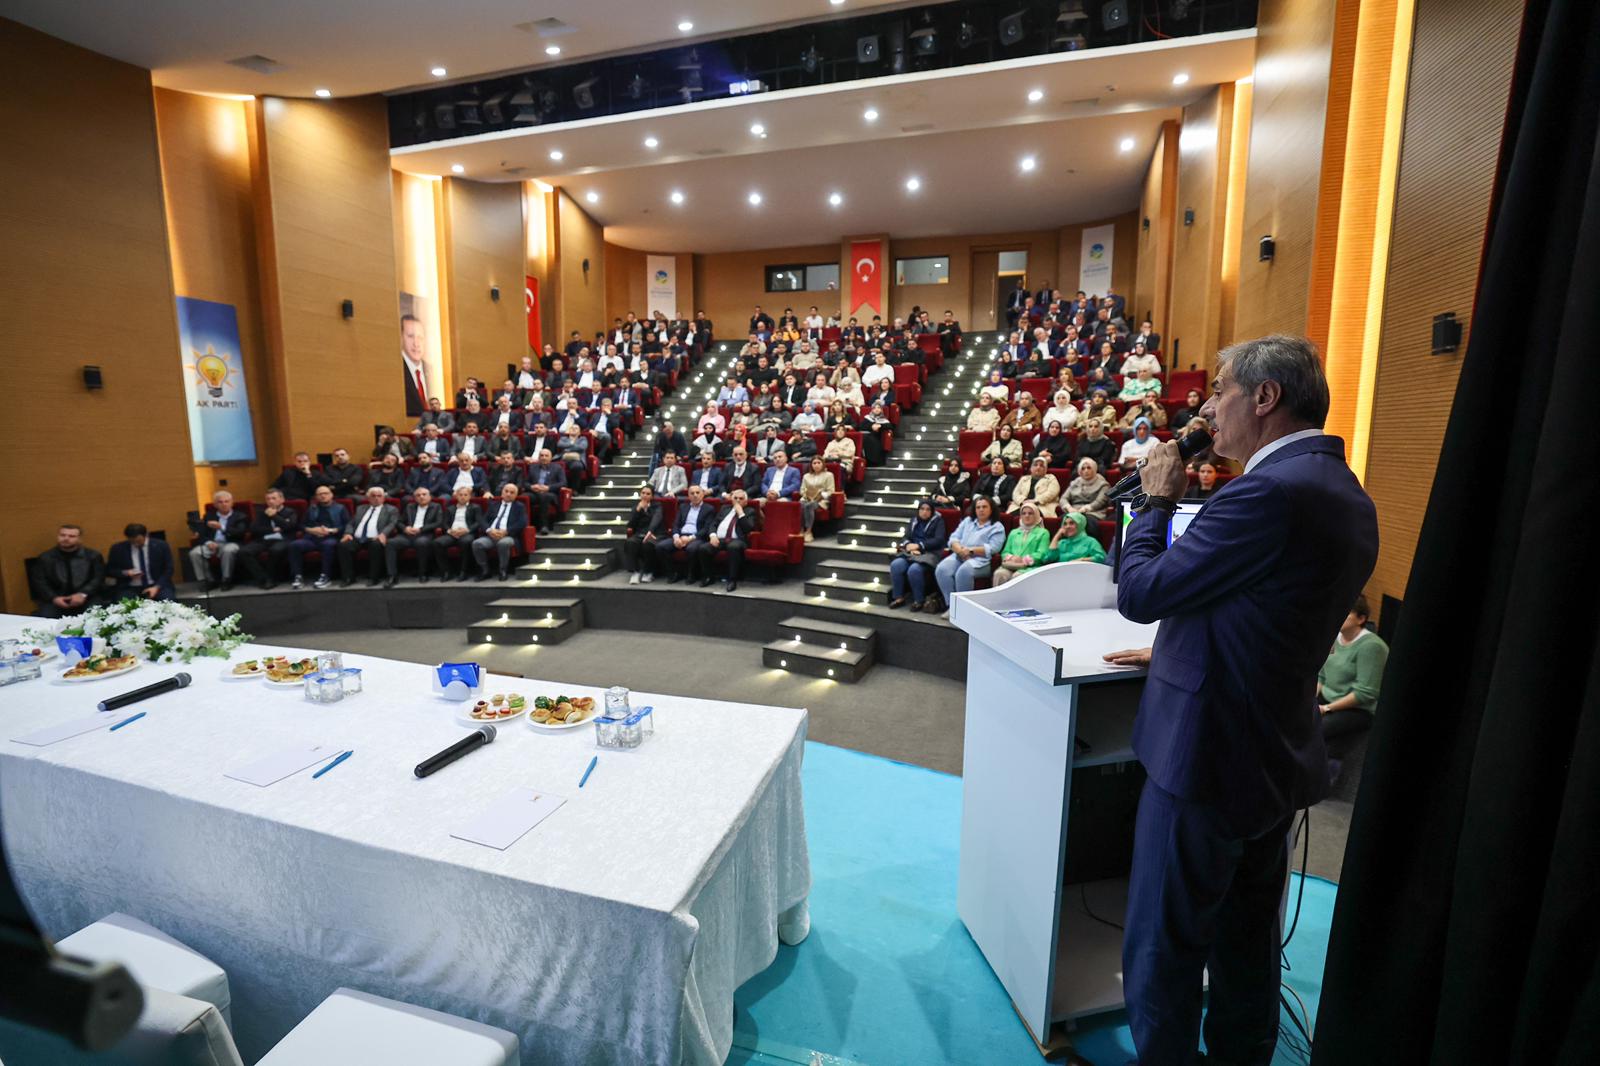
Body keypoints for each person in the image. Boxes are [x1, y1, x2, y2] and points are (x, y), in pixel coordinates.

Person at [1103, 335, 1377, 1065]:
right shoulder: (1343, 489)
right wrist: (1180, 646)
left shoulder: (1266, 492)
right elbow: (1266, 612)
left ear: (1264, 397)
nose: (1207, 407)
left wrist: (1157, 500)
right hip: (1269, 755)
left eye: (1219, 390)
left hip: (1204, 757)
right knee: (1246, 944)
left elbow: (1140, 592)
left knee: (1164, 946)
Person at [1318, 594, 1390, 774]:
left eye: (1346, 612)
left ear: (1361, 619)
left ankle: (1318, 778)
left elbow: (1365, 693)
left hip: (1358, 709)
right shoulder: (1335, 637)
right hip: (1328, 698)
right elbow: (1321, 677)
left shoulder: (1372, 647)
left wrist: (1327, 708)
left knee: (1315, 728)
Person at [932, 496, 1005, 614]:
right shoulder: (967, 521)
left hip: (981, 560)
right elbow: (954, 538)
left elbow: (994, 548)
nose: (981, 510)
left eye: (984, 507)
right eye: (978, 507)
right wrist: (960, 550)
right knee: (942, 569)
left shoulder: (997, 526)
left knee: (963, 572)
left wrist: (971, 551)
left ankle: (963, 610)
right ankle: (952, 606)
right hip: (959, 554)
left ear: (991, 509)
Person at [30, 524, 105, 617]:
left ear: (80, 539)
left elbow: (98, 578)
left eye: (71, 536)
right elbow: (40, 582)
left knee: (95, 617)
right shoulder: (45, 557)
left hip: (88, 597)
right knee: (46, 619)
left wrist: (82, 594)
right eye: (62, 535)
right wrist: (54, 598)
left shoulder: (93, 556)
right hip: (56, 598)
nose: (66, 538)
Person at [886, 500, 948, 610]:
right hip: (912, 552)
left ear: (932, 511)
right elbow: (905, 537)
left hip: (929, 553)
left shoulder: (938, 521)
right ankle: (898, 597)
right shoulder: (914, 520)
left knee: (914, 569)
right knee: (896, 565)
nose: (924, 512)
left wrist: (919, 546)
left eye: (928, 509)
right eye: (922, 509)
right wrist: (909, 545)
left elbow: (938, 540)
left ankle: (919, 600)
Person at [337, 486, 399, 587]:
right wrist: (347, 533)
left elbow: (392, 524)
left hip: (375, 537)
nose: (376, 498)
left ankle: (374, 577)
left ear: (384, 498)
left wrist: (383, 534)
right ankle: (348, 577)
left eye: (379, 496)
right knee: (343, 545)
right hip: (357, 538)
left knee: (375, 545)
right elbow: (351, 523)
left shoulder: (391, 509)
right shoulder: (360, 508)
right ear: (368, 498)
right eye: (373, 496)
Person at [289, 485, 348, 590]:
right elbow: (301, 525)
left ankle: (325, 576)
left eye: (325, 493)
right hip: (312, 538)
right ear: (316, 497)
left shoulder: (340, 508)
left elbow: (347, 525)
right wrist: (311, 530)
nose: (323, 496)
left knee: (328, 545)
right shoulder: (312, 508)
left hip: (331, 537)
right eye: (320, 494)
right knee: (295, 545)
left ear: (331, 495)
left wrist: (331, 530)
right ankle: (298, 577)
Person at [188, 490, 248, 590]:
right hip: (213, 544)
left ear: (231, 502)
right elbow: (201, 533)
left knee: (228, 550)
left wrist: (222, 527)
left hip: (232, 542)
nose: (224, 504)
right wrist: (208, 542)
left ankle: (226, 579)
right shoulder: (209, 516)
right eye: (220, 502)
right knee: (195, 553)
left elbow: (240, 533)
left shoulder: (240, 516)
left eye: (226, 501)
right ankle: (208, 581)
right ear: (215, 504)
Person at [240, 488, 299, 589]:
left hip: (283, 539)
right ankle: (263, 578)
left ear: (282, 499)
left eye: (274, 498)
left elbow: (289, 527)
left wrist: (274, 516)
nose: (270, 501)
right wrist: (272, 529)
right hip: (264, 539)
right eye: (268, 499)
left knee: (275, 550)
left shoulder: (290, 512)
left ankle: (271, 579)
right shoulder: (262, 512)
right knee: (244, 551)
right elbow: (254, 528)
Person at [656, 484, 715, 583]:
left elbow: (706, 529)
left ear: (702, 494)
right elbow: (676, 524)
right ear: (688, 495)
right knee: (660, 547)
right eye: (692, 493)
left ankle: (691, 574)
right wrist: (676, 537)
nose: (695, 495)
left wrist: (690, 538)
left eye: (697, 493)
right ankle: (673, 573)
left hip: (697, 537)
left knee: (691, 548)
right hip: (681, 535)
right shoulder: (683, 506)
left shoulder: (709, 509)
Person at [385, 486, 443, 586]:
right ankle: (392, 575)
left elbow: (438, 522)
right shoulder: (409, 506)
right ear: (415, 498)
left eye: (424, 495)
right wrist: (405, 528)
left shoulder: (436, 506)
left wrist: (421, 529)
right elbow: (399, 521)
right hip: (408, 534)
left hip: (425, 534)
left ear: (430, 497)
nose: (421, 497)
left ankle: (423, 573)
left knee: (421, 542)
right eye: (418, 495)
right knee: (391, 543)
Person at [472, 484, 528, 581]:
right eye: (506, 491)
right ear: (502, 492)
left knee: (503, 543)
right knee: (477, 543)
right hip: (491, 535)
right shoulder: (493, 504)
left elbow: (522, 523)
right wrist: (489, 531)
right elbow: (483, 521)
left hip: (508, 535)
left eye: (512, 493)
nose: (508, 494)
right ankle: (485, 570)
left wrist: (506, 532)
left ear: (516, 495)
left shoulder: (519, 506)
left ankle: (503, 570)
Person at [705, 488, 757, 591]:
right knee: (704, 548)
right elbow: (713, 524)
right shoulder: (725, 509)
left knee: (733, 547)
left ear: (745, 501)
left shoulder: (750, 511)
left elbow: (748, 529)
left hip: (737, 540)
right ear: (731, 499)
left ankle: (732, 580)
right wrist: (713, 535)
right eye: (735, 498)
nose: (737, 500)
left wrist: (741, 513)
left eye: (741, 499)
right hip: (720, 539)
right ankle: (709, 576)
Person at [106, 523, 175, 600]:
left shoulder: (161, 545)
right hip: (130, 587)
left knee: (168, 602)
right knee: (124, 606)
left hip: (157, 584)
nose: (136, 544)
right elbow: (109, 570)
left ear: (146, 535)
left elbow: (169, 569)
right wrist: (126, 573)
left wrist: (157, 586)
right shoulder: (117, 549)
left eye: (139, 541)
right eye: (132, 541)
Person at [430, 486, 484, 581]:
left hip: (467, 532)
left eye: (465, 495)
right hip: (452, 533)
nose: (463, 497)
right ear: (456, 496)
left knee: (465, 542)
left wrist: (467, 530)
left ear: (469, 496)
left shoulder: (475, 507)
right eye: (460, 495)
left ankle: (463, 571)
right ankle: (446, 571)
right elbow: (444, 523)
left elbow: (478, 522)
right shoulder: (450, 508)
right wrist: (449, 530)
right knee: (437, 543)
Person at [991, 501, 1049, 586]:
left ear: (1036, 515)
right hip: (1011, 565)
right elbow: (1005, 551)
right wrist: (1012, 557)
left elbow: (1042, 553)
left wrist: (1023, 560)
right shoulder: (1014, 532)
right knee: (999, 574)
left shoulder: (1043, 533)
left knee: (1018, 576)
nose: (1027, 516)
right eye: (1024, 513)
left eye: (1030, 513)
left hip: (1030, 567)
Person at [622, 484, 666, 584]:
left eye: (648, 494)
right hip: (640, 534)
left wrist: (650, 531)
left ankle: (649, 572)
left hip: (656, 534)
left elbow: (656, 519)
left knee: (648, 544)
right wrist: (638, 510)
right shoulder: (636, 507)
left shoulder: (657, 506)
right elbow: (631, 525)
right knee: (630, 542)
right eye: (643, 493)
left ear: (652, 496)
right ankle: (635, 572)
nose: (645, 495)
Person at [524, 448, 566, 534]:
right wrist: (531, 486)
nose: (544, 458)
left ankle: (544, 526)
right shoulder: (533, 467)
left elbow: (563, 483)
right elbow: (525, 482)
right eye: (541, 455)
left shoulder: (557, 468)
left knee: (544, 496)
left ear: (551, 458)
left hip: (550, 493)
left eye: (546, 456)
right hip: (535, 492)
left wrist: (548, 488)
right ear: (539, 457)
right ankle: (525, 526)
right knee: (524, 497)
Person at [1042, 510, 1106, 565]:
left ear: (1080, 525)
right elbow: (1048, 559)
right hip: (1062, 574)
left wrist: (1082, 560)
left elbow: (1101, 558)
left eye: (1071, 523)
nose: (1067, 526)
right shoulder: (1062, 543)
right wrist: (1057, 536)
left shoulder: (1090, 541)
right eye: (1065, 524)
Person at [797, 455, 835, 542]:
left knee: (809, 506)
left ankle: (809, 531)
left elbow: (831, 491)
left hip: (821, 501)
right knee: (800, 505)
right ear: (811, 465)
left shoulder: (829, 475)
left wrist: (821, 495)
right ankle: (801, 530)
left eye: (818, 463)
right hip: (807, 498)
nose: (816, 465)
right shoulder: (806, 476)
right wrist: (806, 495)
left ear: (823, 464)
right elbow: (802, 490)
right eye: (814, 463)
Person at [400, 312, 429, 417]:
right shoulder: (398, 370)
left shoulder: (432, 371)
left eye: (420, 337)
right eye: (410, 336)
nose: (416, 343)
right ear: (401, 337)